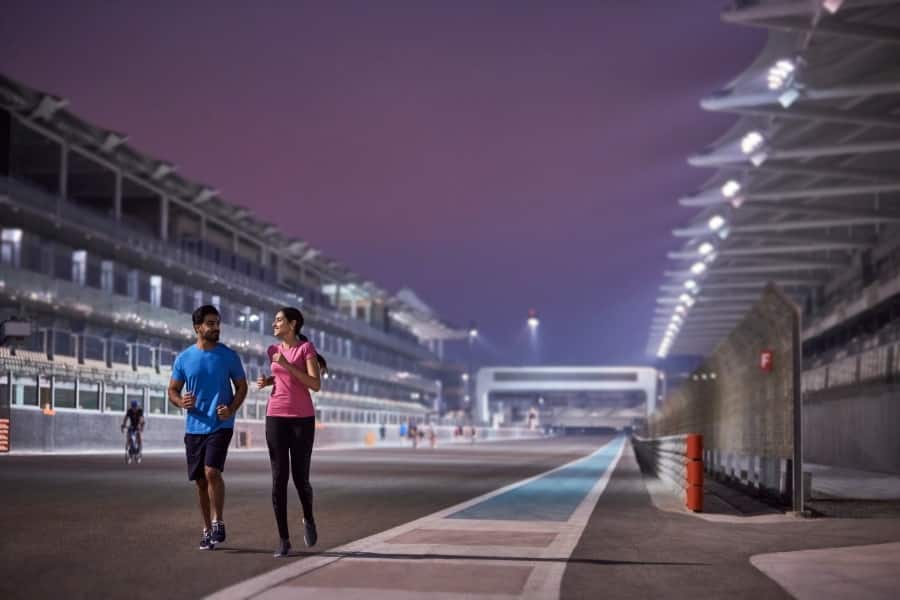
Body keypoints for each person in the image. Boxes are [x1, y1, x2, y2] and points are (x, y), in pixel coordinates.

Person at [167, 305, 247, 551]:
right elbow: (172, 391)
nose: (216, 328)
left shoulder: (229, 356)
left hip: (221, 423)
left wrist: (231, 409)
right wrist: (182, 402)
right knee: (200, 481)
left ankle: (218, 521)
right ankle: (206, 530)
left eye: (217, 323)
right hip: (194, 426)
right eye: (210, 323)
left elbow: (242, 387)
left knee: (212, 471)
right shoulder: (184, 358)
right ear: (197, 328)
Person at [256, 307, 327, 558]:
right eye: (274, 319)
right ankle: (283, 539)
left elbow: (314, 384)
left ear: (293, 324)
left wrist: (286, 364)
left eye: (278, 320)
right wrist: (269, 382)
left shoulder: (306, 349)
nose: (274, 323)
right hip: (275, 415)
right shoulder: (272, 351)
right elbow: (284, 379)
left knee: (300, 479)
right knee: (278, 479)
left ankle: (308, 518)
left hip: (302, 420)